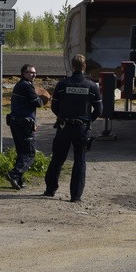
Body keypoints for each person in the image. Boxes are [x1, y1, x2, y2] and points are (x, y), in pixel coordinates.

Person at [43, 53, 103, 202]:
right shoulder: (91, 86)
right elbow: (99, 109)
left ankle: (50, 190)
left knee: (57, 158)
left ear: (72, 66)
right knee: (79, 161)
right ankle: (75, 196)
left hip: (64, 127)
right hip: (82, 128)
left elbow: (54, 105)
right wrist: (89, 120)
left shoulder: (63, 84)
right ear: (84, 67)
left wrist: (62, 116)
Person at [6, 63, 50, 190]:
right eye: (31, 72)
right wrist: (44, 98)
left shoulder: (21, 85)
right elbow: (38, 103)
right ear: (23, 73)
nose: (34, 74)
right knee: (30, 153)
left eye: (35, 72)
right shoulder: (25, 85)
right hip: (23, 123)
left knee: (21, 152)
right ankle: (13, 174)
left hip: (16, 121)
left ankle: (18, 180)